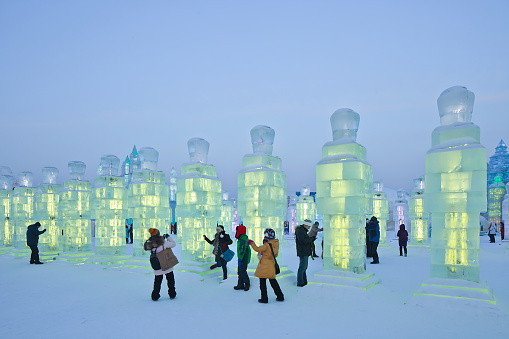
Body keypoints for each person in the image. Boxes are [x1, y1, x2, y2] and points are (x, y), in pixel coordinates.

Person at [247, 228, 284, 303]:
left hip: (264, 265)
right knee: (273, 281)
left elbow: (257, 249)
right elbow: (275, 255)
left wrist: (252, 243)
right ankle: (280, 296)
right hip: (271, 264)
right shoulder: (275, 244)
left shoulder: (267, 245)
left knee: (262, 283)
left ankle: (264, 298)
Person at [143, 228, 177, 301]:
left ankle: (155, 296)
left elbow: (152, 249)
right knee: (170, 280)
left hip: (157, 267)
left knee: (157, 282)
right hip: (166, 265)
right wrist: (168, 237)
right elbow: (173, 244)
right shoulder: (164, 243)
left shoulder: (150, 244)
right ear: (158, 234)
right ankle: (172, 294)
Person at [295, 219, 313, 286]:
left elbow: (303, 240)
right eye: (309, 226)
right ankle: (300, 282)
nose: (309, 227)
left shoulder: (302, 230)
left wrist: (310, 239)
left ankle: (304, 281)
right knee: (302, 267)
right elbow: (302, 241)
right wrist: (310, 239)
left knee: (304, 267)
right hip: (303, 251)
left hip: (304, 251)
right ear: (305, 225)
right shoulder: (300, 231)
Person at [233, 224, 251, 291]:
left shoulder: (242, 240)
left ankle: (247, 284)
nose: (236, 232)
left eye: (237, 230)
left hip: (243, 258)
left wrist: (240, 259)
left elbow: (242, 250)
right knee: (240, 271)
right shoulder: (242, 238)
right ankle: (240, 284)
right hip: (242, 258)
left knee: (242, 271)